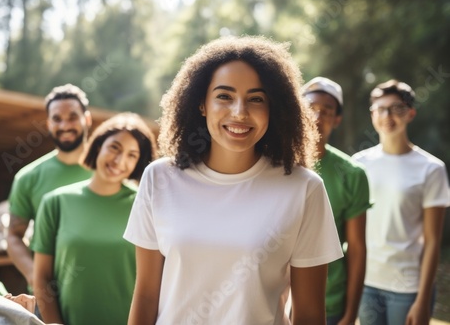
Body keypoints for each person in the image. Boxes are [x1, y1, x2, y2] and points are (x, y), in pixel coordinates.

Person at [123, 36, 343, 325]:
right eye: (224, 96)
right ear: (201, 104)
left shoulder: (304, 189)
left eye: (256, 99)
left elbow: (310, 313)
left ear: (273, 108)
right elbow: (147, 296)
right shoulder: (159, 178)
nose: (240, 112)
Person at [31, 112, 156, 325]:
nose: (119, 161)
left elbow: (154, 284)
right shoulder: (55, 202)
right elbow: (42, 278)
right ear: (98, 146)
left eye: (131, 155)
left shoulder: (146, 205)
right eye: (114, 148)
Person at [353, 80, 450, 325]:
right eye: (380, 109)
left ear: (410, 113)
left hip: (408, 287)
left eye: (396, 108)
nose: (387, 116)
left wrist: (422, 299)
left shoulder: (431, 169)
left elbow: (433, 241)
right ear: (373, 114)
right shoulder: (358, 164)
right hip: (367, 284)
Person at [6, 84, 93, 291]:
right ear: (48, 124)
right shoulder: (29, 177)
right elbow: (14, 236)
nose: (64, 125)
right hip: (50, 296)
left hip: (105, 287)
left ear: (87, 119)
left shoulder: (111, 171)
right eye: (57, 119)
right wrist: (34, 276)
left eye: (72, 117)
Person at [302, 77, 371, 325]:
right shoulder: (272, 165)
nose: (317, 116)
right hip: (272, 296)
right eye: (311, 108)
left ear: (337, 119)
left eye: (326, 111)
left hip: (329, 302)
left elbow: (357, 248)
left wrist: (351, 313)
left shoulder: (352, 174)